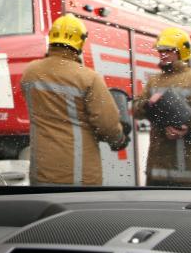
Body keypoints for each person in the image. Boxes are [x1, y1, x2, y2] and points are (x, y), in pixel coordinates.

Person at [20, 14, 127, 186]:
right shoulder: (88, 78)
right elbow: (107, 123)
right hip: (79, 176)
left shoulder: (30, 72)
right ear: (79, 42)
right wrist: (119, 139)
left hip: (40, 173)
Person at [133, 27, 191, 186]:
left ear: (181, 52)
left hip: (190, 175)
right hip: (157, 173)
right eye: (160, 51)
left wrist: (190, 130)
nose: (162, 54)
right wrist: (147, 104)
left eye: (168, 50)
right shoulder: (154, 81)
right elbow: (136, 110)